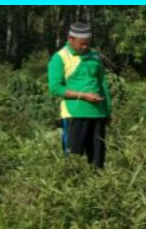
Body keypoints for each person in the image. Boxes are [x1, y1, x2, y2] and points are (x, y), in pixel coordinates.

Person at [47, 21, 112, 169]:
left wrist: (107, 111)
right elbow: (55, 88)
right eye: (82, 44)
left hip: (98, 115)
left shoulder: (94, 55)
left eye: (88, 43)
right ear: (70, 39)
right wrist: (83, 96)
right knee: (72, 159)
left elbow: (102, 84)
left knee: (97, 161)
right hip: (74, 114)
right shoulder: (59, 58)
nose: (85, 47)